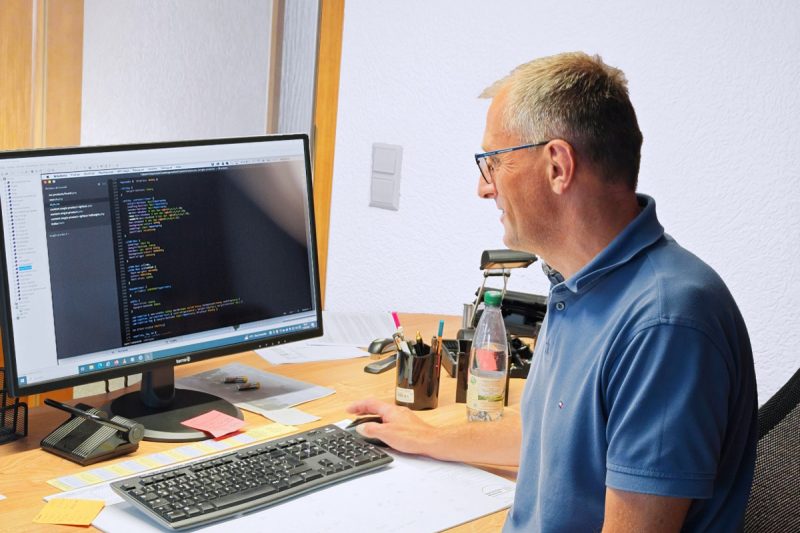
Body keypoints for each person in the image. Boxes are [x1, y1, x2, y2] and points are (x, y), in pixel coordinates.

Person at [348, 52, 758, 532]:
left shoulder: (665, 324)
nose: (484, 189)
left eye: (493, 164)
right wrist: (428, 436)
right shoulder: (582, 285)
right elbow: (555, 438)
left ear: (558, 166)